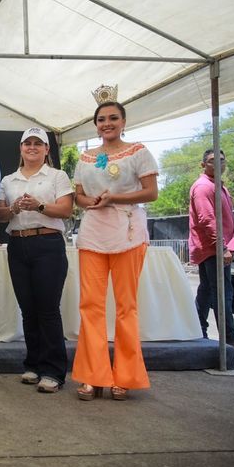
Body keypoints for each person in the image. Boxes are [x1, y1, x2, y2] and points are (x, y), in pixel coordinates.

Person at [72, 86, 158, 402]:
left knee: (126, 308)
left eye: (113, 118)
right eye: (101, 119)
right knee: (90, 307)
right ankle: (92, 376)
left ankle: (124, 376)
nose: (106, 123)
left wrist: (116, 197)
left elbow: (151, 193)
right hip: (93, 234)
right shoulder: (84, 158)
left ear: (123, 121)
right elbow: (79, 196)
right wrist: (89, 201)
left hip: (128, 234)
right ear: (95, 125)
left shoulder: (138, 152)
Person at [0, 127, 73, 394]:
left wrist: (39, 206)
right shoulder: (8, 180)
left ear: (46, 149)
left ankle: (54, 370)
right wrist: (14, 208)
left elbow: (66, 210)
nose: (32, 147)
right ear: (20, 148)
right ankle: (34, 364)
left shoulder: (57, 176)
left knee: (48, 309)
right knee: (28, 308)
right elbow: (1, 215)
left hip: (47, 244)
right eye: (27, 143)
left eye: (37, 144)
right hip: (18, 244)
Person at [189, 149, 234, 355]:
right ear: (203, 165)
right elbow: (207, 220)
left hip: (213, 247)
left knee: (208, 291)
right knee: (221, 293)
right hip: (212, 248)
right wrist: (222, 246)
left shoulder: (216, 186)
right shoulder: (203, 187)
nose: (218, 163)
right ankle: (229, 338)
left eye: (221, 160)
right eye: (211, 161)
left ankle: (197, 330)